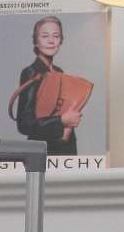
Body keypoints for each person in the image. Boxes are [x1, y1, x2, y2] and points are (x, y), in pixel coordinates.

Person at [13, 16, 81, 156]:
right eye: (45, 36)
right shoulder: (31, 72)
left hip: (65, 148)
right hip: (43, 150)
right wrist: (62, 120)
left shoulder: (59, 72)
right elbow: (24, 124)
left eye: (56, 36)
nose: (51, 41)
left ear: (61, 40)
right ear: (36, 41)